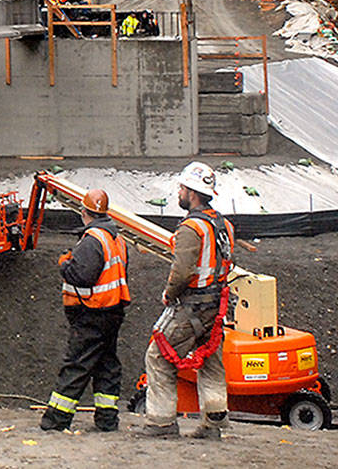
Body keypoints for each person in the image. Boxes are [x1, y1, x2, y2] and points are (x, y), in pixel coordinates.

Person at [138, 161, 235, 439]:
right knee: (212, 362)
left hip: (192, 305)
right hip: (216, 308)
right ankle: (214, 422)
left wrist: (169, 294)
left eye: (181, 188)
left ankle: (161, 422)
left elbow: (182, 271)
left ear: (192, 192)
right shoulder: (224, 225)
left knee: (158, 356)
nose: (178, 193)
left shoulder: (191, 228)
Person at [40, 188, 130, 433]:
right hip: (112, 310)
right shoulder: (116, 239)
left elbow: (82, 276)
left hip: (92, 313)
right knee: (106, 365)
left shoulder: (93, 240)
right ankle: (107, 420)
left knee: (77, 365)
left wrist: (64, 264)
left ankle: (56, 420)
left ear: (84, 212)